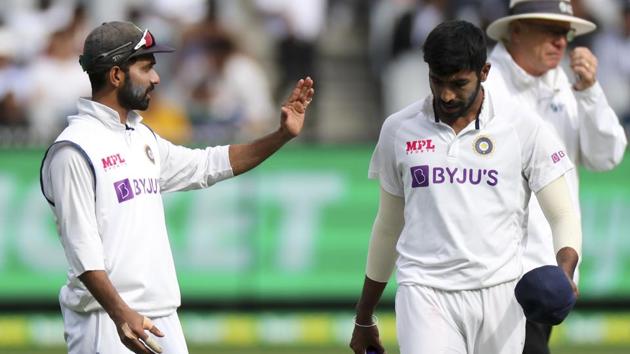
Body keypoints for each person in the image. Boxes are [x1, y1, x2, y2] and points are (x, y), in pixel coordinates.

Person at [39, 21, 314, 354]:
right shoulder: (74, 149)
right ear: (116, 75)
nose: (156, 79)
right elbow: (83, 252)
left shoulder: (140, 136)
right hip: (107, 322)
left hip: (161, 316)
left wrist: (280, 135)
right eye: (146, 68)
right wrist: (121, 314)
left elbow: (207, 165)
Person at [349, 20, 582, 354]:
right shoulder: (398, 130)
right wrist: (364, 315)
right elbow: (387, 227)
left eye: (459, 83)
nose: (446, 94)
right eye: (437, 81)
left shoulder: (522, 126)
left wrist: (565, 271)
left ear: (484, 72)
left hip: (501, 295)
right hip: (424, 292)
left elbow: (562, 213)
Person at [484, 1, 628, 353]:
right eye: (549, 30)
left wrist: (590, 92)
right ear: (515, 30)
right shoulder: (485, 86)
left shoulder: (564, 83)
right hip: (494, 274)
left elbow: (606, 156)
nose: (561, 41)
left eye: (565, 32)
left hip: (548, 272)